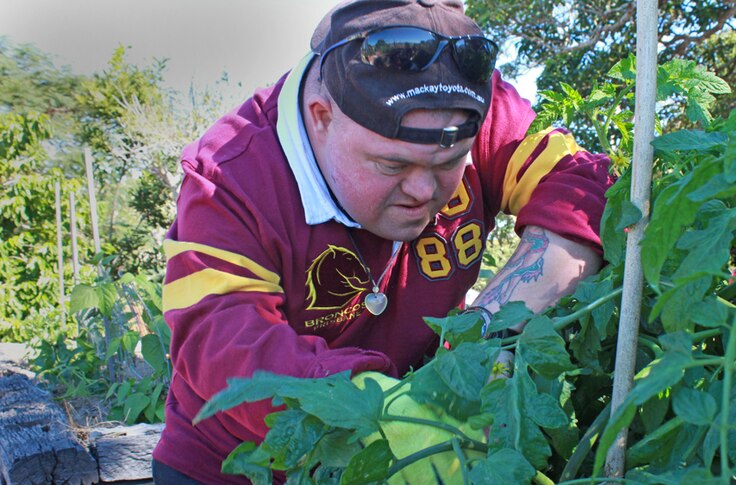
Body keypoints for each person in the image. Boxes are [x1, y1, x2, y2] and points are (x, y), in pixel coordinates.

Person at [151, 0, 614, 482]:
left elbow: (584, 183)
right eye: (392, 166)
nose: (422, 191)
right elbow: (222, 345)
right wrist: (387, 408)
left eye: (447, 163)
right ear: (322, 116)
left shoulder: (475, 109)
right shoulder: (230, 176)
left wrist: (485, 335)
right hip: (237, 465)